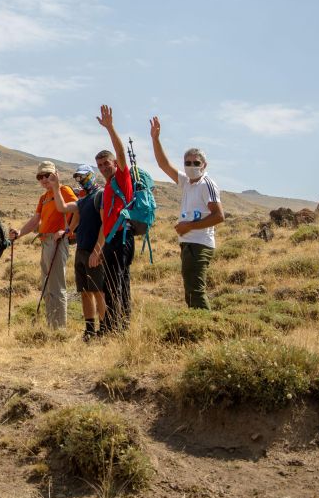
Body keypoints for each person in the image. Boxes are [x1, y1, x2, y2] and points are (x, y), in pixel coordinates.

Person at [150, 116, 224, 309]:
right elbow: (164, 165)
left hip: (199, 243)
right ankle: (196, 327)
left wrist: (188, 226)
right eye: (188, 163)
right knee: (190, 289)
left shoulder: (206, 184)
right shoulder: (187, 182)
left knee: (196, 291)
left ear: (204, 165)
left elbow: (219, 216)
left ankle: (204, 329)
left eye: (195, 163)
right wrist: (155, 139)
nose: (191, 166)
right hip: (188, 243)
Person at [9, 162, 78, 329]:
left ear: (56, 175)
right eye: (40, 177)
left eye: (48, 175)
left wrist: (67, 231)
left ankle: (59, 328)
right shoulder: (44, 197)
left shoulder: (64, 191)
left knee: (56, 286)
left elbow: (77, 211)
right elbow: (35, 220)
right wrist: (19, 233)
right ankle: (51, 324)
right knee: (47, 286)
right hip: (45, 241)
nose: (44, 179)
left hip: (57, 242)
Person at [46, 165, 107, 339]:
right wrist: (56, 186)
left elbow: (104, 225)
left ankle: (103, 330)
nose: (80, 181)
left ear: (91, 176)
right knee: (85, 292)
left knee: (98, 290)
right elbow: (63, 208)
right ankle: (89, 329)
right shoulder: (83, 200)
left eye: (83, 177)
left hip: (93, 251)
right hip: (81, 250)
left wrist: (97, 251)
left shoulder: (99, 195)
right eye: (78, 178)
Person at [94, 105, 134, 332]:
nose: (103, 168)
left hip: (121, 236)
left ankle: (112, 328)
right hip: (112, 238)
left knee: (113, 283)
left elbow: (120, 153)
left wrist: (110, 128)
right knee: (118, 281)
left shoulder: (122, 177)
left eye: (106, 164)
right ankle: (122, 326)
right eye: (99, 165)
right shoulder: (109, 185)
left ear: (114, 164)